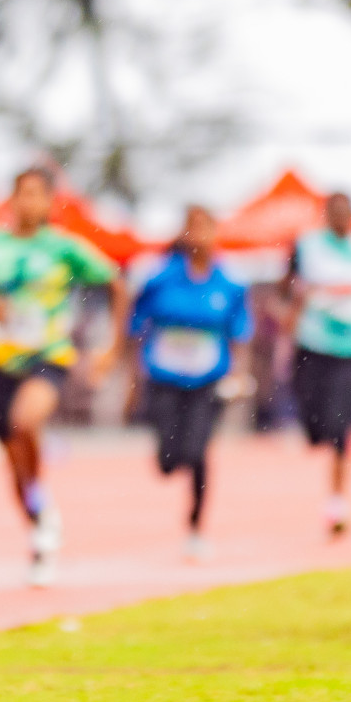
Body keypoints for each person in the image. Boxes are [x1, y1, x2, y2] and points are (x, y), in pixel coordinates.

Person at [0, 165, 127, 586]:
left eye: (36, 194)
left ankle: (41, 514)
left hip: (48, 355)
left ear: (49, 202)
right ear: (11, 199)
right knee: (14, 466)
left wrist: (112, 347)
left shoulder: (64, 248)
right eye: (21, 193)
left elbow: (116, 284)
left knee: (25, 421)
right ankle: (40, 524)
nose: (28, 202)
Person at [128, 206, 252, 559]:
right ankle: (170, 455)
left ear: (215, 234)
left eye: (205, 228)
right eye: (192, 228)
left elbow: (240, 332)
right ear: (183, 234)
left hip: (208, 379)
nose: (198, 236)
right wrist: (133, 377)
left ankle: (196, 526)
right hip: (164, 377)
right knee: (168, 462)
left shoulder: (229, 283)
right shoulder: (160, 278)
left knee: (197, 452)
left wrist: (239, 375)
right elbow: (135, 324)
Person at [280, 192, 351, 537]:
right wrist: (289, 309)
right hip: (312, 346)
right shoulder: (307, 246)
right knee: (314, 425)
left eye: (346, 212)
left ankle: (337, 501)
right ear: (325, 215)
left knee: (341, 424)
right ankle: (317, 434)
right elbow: (286, 285)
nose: (340, 218)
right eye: (334, 212)